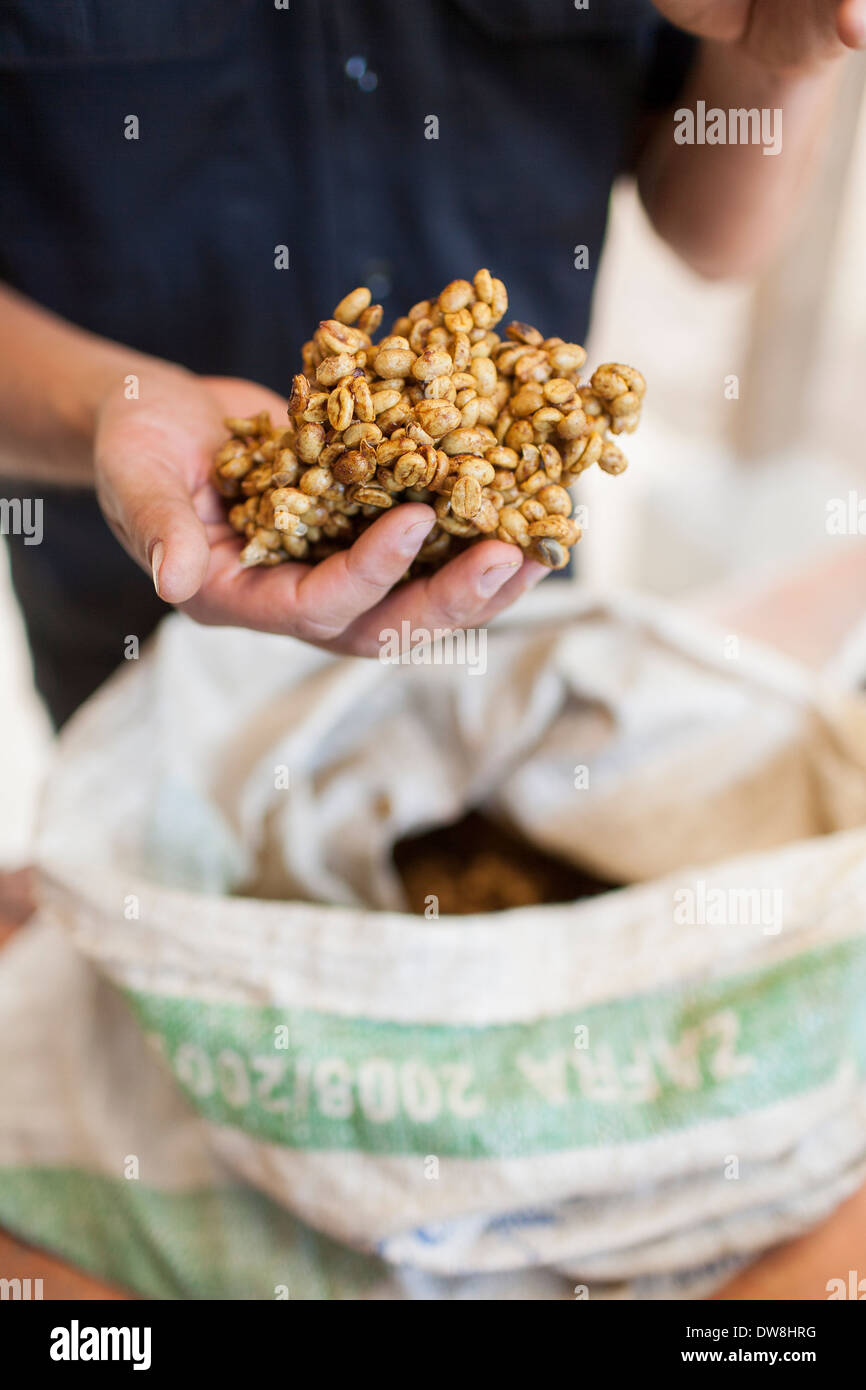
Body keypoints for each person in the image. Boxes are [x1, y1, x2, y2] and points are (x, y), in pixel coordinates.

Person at [0, 0, 863, 725]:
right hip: (135, 603)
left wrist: (774, 65)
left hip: (502, 567)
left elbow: (713, 239)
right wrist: (106, 405)